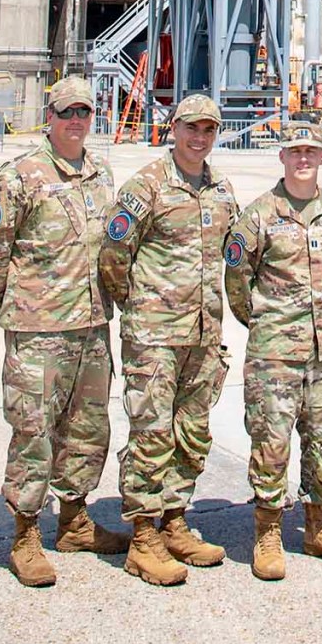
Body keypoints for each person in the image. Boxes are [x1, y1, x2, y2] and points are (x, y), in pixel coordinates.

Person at [0, 75, 128, 587]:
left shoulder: (101, 171)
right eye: (66, 113)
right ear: (50, 117)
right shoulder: (20, 176)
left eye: (83, 112)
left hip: (91, 322)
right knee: (33, 429)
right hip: (38, 326)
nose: (76, 121)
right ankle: (25, 532)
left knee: (87, 427)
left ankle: (75, 518)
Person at [98, 92, 238, 588]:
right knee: (151, 434)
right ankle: (142, 535)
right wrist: (139, 307)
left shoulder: (221, 189)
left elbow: (232, 255)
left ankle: (174, 518)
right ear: (173, 129)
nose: (199, 138)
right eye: (191, 128)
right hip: (155, 337)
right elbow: (114, 256)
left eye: (208, 130)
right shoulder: (147, 187)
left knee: (192, 433)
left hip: (202, 336)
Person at [224, 124, 322, 580]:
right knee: (271, 443)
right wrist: (266, 325)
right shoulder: (257, 215)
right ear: (282, 157)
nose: (304, 159)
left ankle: (320, 526)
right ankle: (267, 531)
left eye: (312, 152)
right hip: (274, 354)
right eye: (296, 151)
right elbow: (237, 282)